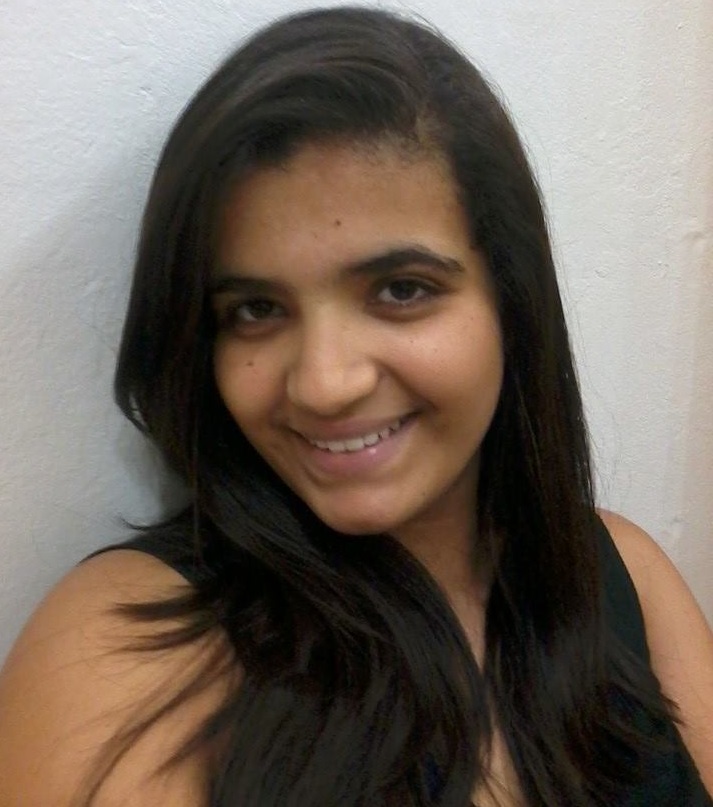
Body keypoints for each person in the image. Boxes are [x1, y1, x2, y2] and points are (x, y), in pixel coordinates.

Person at [0, 6, 711, 806]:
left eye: (400, 290)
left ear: (510, 302)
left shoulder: (623, 575)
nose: (323, 382)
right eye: (256, 309)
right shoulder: (130, 647)